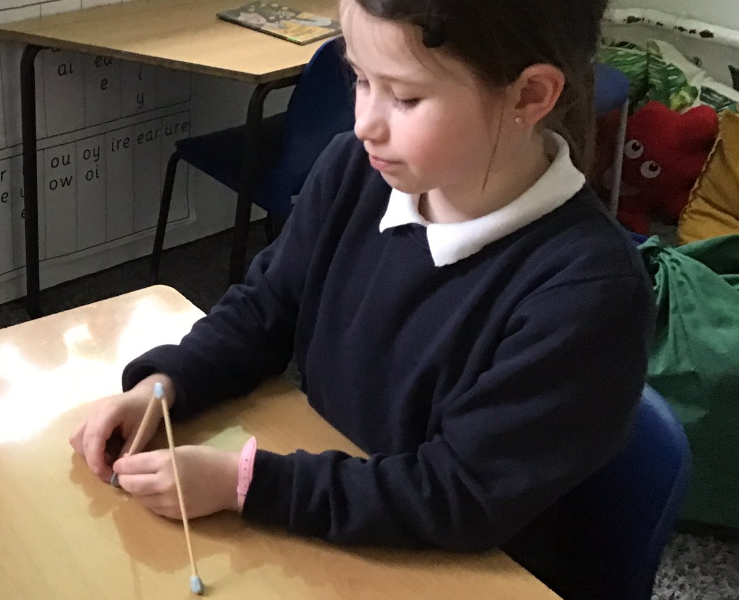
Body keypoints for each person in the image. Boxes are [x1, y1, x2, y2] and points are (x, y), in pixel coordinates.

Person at [71, 0, 654, 596]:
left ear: (529, 96)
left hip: (470, 571)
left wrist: (244, 484)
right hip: (342, 520)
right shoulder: (357, 170)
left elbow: (458, 497)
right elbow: (263, 309)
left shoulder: (588, 292)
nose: (364, 125)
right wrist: (164, 385)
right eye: (360, 80)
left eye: (404, 97)